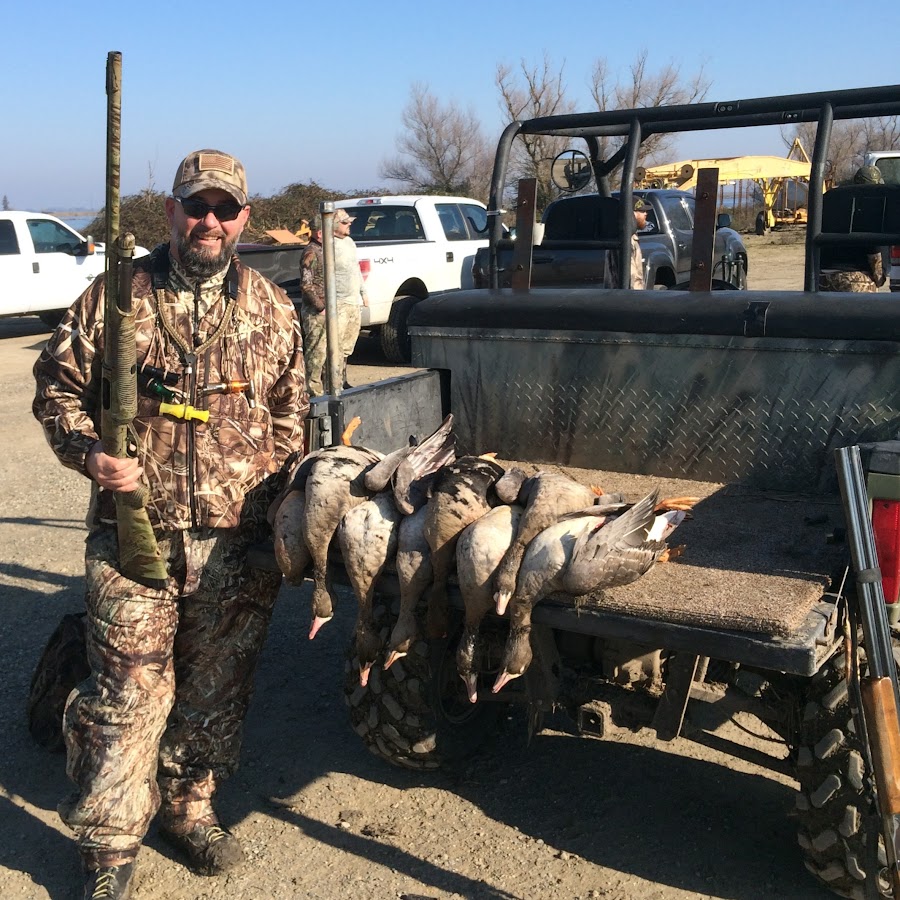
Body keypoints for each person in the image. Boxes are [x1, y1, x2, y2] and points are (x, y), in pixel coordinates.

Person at [33, 149, 308, 900]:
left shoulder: (273, 308)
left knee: (215, 692)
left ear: (244, 218)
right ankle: (110, 847)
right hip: (134, 536)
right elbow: (56, 389)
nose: (209, 222)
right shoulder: (115, 296)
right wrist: (91, 454)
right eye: (196, 207)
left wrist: (277, 513)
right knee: (127, 694)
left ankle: (188, 808)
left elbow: (293, 418)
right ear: (171, 212)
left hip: (235, 546)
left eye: (224, 209)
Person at [299, 210, 368, 395]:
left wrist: (362, 293)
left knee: (332, 352)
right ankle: (313, 394)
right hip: (317, 313)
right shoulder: (312, 252)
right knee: (316, 354)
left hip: (330, 309)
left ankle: (332, 389)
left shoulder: (327, 249)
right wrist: (321, 308)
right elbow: (306, 285)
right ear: (320, 232)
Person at [819, 165, 889, 293]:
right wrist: (879, 278)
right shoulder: (870, 208)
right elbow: (874, 251)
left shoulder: (832, 199)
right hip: (855, 280)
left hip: (822, 278)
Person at [605, 197, 648, 289]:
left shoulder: (629, 237)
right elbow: (631, 277)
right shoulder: (625, 240)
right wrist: (637, 296)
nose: (646, 213)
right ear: (631, 214)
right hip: (629, 296)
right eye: (641, 211)